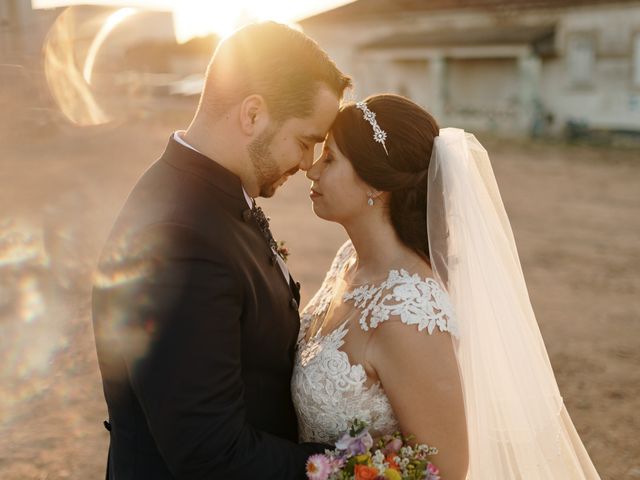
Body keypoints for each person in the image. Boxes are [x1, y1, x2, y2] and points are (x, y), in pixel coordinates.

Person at [293, 94, 601, 479]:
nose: (312, 169)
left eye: (331, 158)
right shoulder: (348, 261)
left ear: (376, 183)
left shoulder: (406, 313)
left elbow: (447, 470)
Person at [92, 21, 351, 479]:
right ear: (252, 115)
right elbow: (213, 456)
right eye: (306, 141)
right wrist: (354, 467)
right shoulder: (180, 239)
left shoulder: (207, 192)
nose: (308, 164)